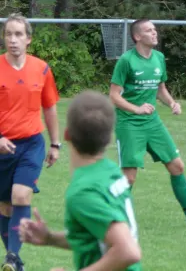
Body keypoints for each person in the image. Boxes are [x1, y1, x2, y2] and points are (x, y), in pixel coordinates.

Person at [109, 19, 186, 227]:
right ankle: (109, 217)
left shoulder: (158, 58)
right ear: (137, 37)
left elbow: (160, 89)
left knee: (177, 166)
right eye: (149, 30)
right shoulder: (126, 61)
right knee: (129, 178)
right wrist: (137, 109)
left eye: (155, 30)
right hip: (129, 123)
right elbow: (114, 96)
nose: (154, 33)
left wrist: (171, 103)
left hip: (153, 123)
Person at [18, 90, 142, 271]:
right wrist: (50, 238)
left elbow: (128, 252)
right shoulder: (110, 171)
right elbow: (97, 236)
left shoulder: (83, 192)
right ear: (108, 138)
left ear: (67, 134)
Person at [0, 13, 61, 271]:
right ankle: (16, 261)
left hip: (31, 144)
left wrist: (55, 144)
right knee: (4, 206)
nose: (12, 40)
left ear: (28, 39)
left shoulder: (42, 68)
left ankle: (12, 257)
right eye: (8, 34)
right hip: (3, 147)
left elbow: (49, 107)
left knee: (20, 196)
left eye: (18, 34)